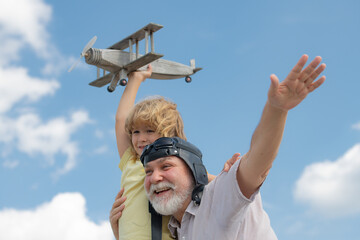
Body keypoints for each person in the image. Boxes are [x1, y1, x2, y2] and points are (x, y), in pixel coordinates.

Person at [139, 54, 326, 239]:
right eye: (148, 172)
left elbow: (258, 160)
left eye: (166, 166)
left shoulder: (220, 197)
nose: (155, 177)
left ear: (193, 169)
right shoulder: (175, 229)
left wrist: (277, 109)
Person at [111, 64, 239, 240]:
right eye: (136, 132)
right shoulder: (131, 161)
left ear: (168, 134)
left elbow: (209, 181)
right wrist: (136, 78)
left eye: (149, 131)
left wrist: (230, 176)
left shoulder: (178, 165)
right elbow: (121, 120)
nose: (141, 139)